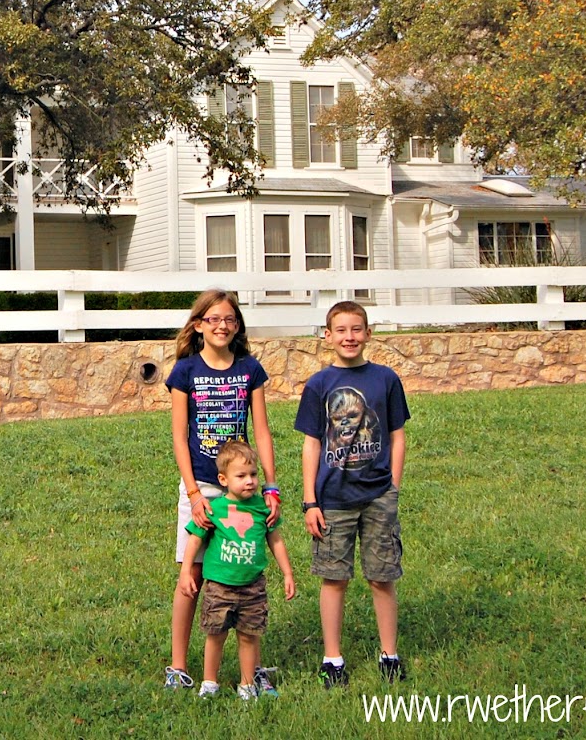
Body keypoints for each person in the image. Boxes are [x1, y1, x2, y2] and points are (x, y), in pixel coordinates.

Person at [163, 289, 283, 693]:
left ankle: (255, 670)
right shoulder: (185, 372)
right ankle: (179, 666)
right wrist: (195, 495)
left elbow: (262, 432)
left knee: (247, 572)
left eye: (229, 319)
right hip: (202, 487)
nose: (221, 326)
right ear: (199, 325)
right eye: (213, 319)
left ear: (237, 325)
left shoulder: (250, 370)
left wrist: (270, 486)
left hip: (242, 489)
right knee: (193, 573)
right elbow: (180, 438)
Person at [295, 300, 411, 688]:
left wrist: (392, 486)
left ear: (368, 333)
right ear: (327, 336)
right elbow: (311, 444)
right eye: (341, 330)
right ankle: (333, 658)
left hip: (378, 495)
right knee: (334, 578)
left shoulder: (385, 379)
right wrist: (310, 500)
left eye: (356, 329)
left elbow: (397, 435)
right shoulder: (319, 385)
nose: (349, 337)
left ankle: (389, 654)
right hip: (332, 499)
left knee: (382, 576)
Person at [178, 439, 296, 699]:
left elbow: (275, 540)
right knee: (215, 635)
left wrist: (287, 573)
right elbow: (195, 539)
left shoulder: (263, 508)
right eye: (241, 476)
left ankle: (247, 684)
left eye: (253, 474)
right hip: (219, 586)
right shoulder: (214, 509)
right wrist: (186, 571)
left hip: (252, 586)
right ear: (223, 479)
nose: (250, 481)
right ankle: (210, 682)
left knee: (249, 636)